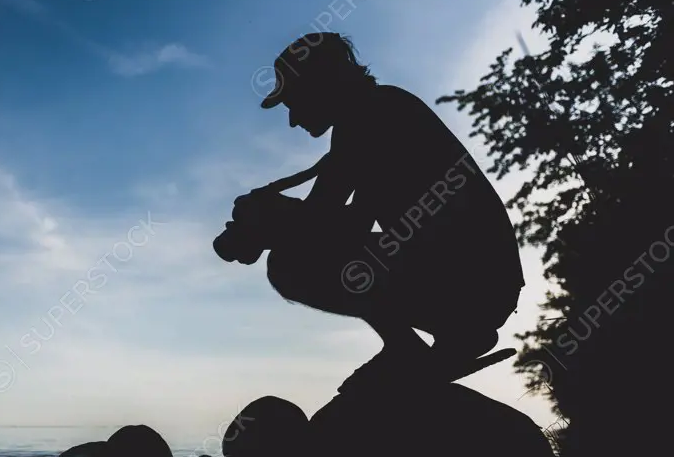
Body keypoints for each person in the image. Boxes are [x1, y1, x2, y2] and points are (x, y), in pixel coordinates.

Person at [222, 32, 524, 390]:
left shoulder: (370, 117)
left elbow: (334, 226)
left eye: (292, 101)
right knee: (300, 252)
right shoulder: (374, 110)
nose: (291, 119)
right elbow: (331, 218)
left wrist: (270, 222)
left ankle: (424, 343)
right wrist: (275, 218)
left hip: (472, 279)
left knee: (290, 265)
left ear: (319, 84)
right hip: (480, 277)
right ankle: (436, 339)